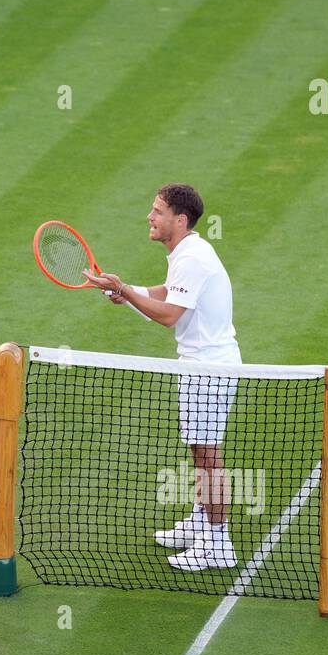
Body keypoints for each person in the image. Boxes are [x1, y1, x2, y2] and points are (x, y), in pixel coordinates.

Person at [83, 184, 242, 572]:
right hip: (201, 365)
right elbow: (171, 292)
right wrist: (128, 291)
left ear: (180, 220)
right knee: (200, 452)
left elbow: (170, 314)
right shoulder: (187, 252)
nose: (150, 217)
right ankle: (202, 521)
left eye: (157, 211)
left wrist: (124, 290)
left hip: (208, 369)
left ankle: (219, 544)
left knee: (209, 458)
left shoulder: (193, 257)